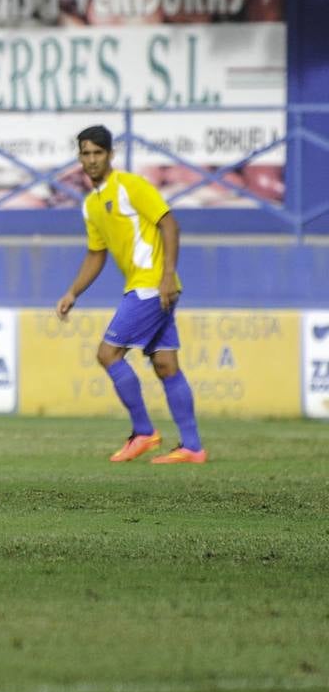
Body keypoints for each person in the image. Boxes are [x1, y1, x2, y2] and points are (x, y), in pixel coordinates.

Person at [56, 125, 206, 463]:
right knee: (165, 364)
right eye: (86, 153)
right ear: (79, 157)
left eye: (98, 153)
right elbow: (96, 254)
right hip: (148, 286)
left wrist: (167, 276)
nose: (92, 160)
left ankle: (143, 432)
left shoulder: (131, 185)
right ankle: (193, 448)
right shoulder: (91, 205)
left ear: (110, 154)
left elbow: (169, 224)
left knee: (108, 354)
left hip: (152, 286)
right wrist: (73, 292)